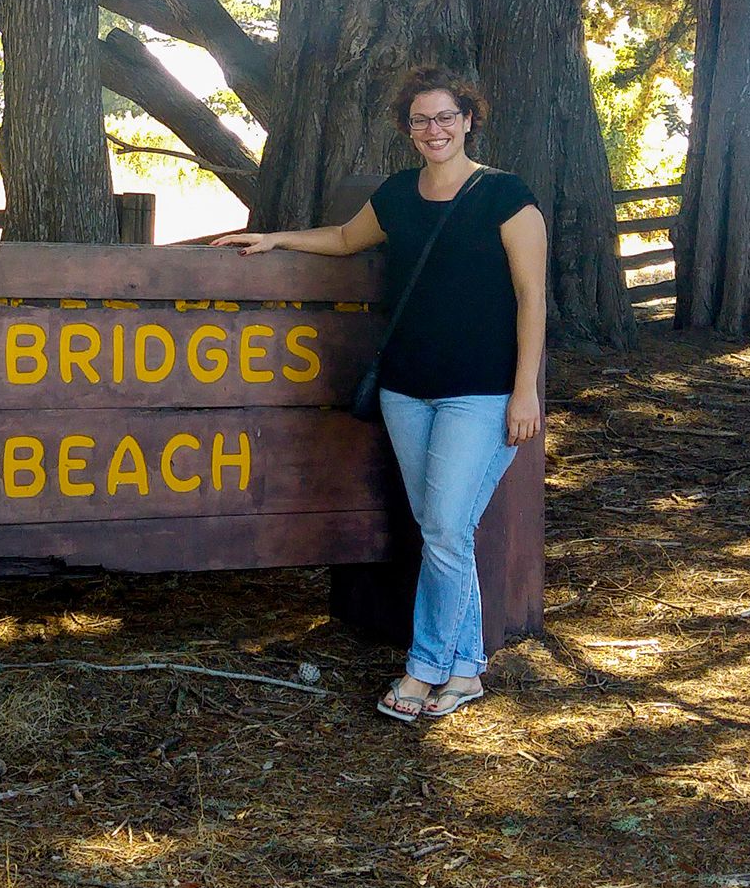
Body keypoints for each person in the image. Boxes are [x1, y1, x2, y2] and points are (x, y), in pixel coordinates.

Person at [213, 70, 545, 721]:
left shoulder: (506, 197)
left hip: (478, 393)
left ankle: (423, 671)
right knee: (443, 532)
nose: (434, 130)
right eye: (421, 121)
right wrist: (276, 237)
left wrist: (523, 392)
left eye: (445, 117)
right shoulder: (397, 194)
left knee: (445, 531)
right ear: (407, 129)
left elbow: (532, 297)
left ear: (468, 119)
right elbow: (342, 240)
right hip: (404, 390)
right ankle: (467, 670)